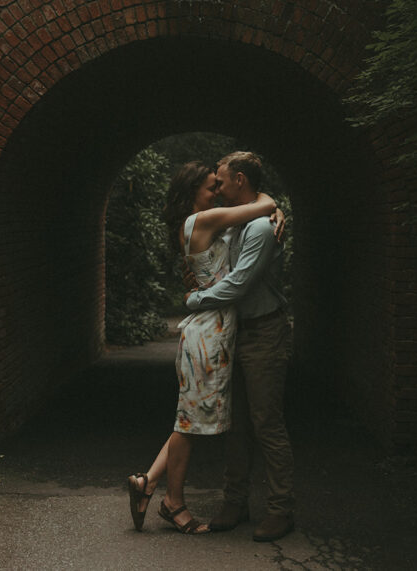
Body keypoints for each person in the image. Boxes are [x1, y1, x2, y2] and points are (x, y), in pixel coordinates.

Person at [126, 160, 280, 535]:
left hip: (214, 329)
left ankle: (148, 483)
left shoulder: (206, 223)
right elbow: (262, 204)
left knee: (189, 419)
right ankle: (173, 504)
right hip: (208, 331)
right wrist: (276, 207)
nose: (217, 192)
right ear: (192, 190)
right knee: (189, 424)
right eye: (212, 187)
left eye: (220, 185)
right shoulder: (201, 222)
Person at [184, 151, 295, 543]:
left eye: (222, 179)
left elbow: (239, 284)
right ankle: (235, 502)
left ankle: (281, 510)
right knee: (235, 423)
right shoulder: (238, 222)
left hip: (264, 332)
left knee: (266, 422)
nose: (217, 185)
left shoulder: (262, 229)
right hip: (233, 332)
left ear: (241, 180)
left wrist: (195, 301)